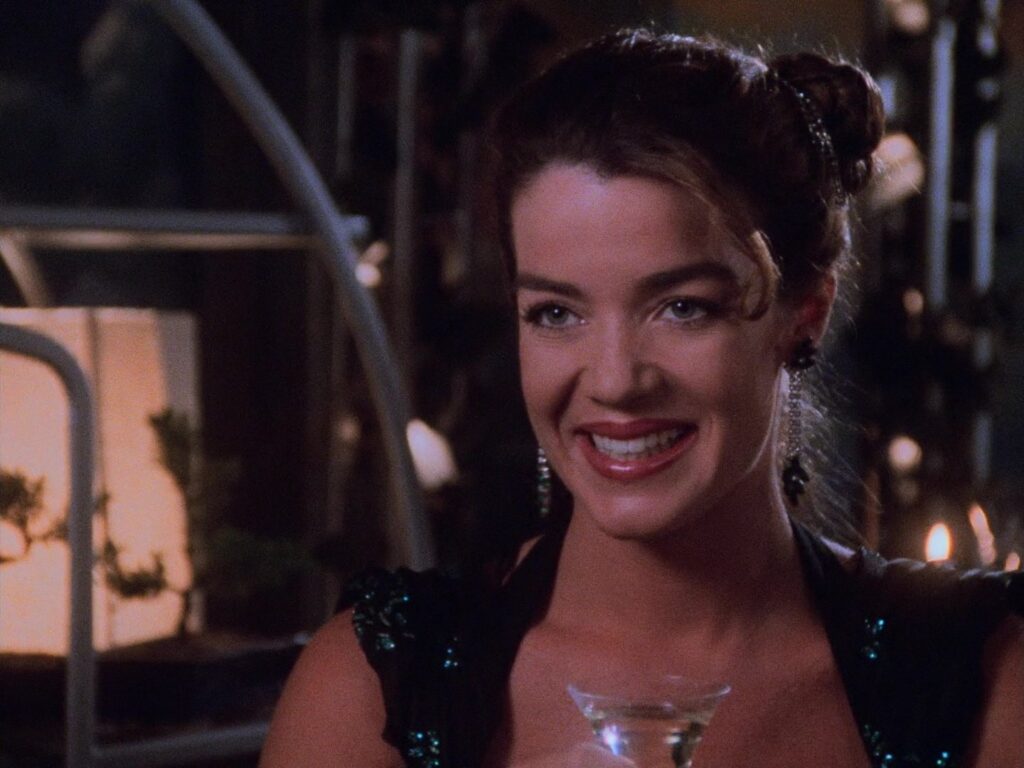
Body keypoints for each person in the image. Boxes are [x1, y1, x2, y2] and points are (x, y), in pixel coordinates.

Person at [260, 29, 1024, 768]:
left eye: (682, 308)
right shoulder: (371, 691)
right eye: (556, 313)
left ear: (805, 313)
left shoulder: (983, 679)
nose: (615, 380)